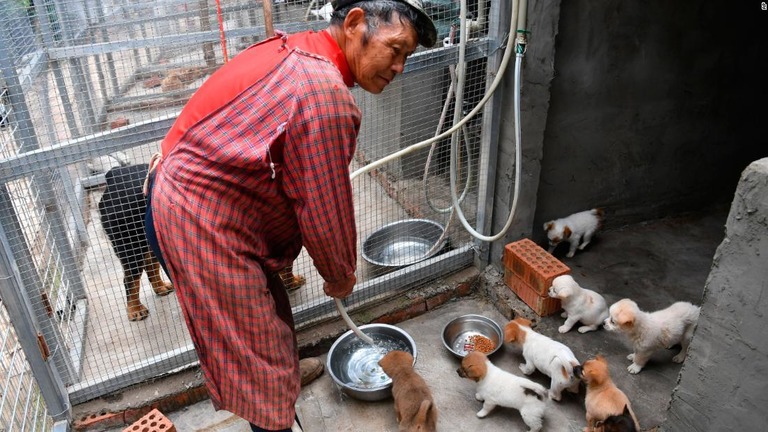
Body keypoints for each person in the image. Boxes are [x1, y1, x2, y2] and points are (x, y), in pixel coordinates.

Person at [143, 1, 437, 431]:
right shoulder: (324, 94)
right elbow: (323, 205)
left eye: (406, 57)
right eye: (395, 49)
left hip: (186, 200)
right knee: (259, 358)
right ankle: (275, 412)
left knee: (270, 323)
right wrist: (339, 273)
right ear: (354, 23)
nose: (399, 68)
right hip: (198, 223)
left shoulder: (300, 49)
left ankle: (280, 372)